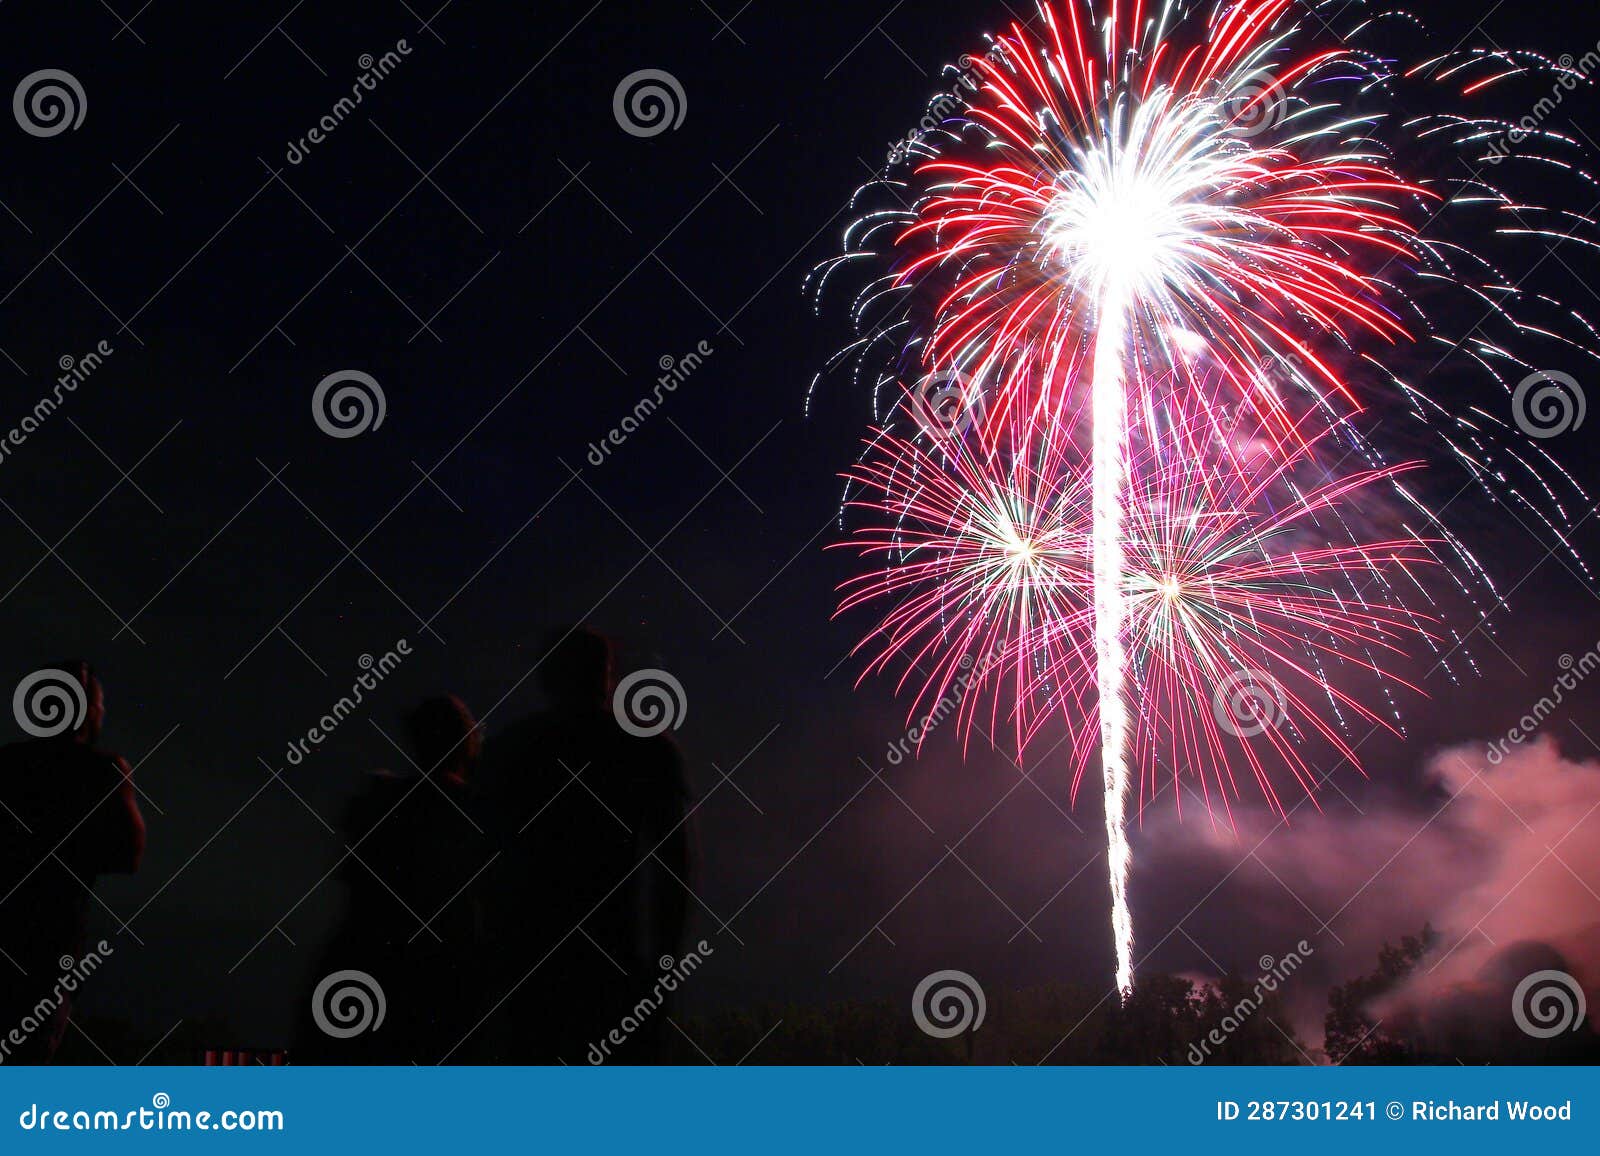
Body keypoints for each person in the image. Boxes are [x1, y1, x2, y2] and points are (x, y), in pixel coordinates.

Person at [481, 628, 693, 1063]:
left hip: (525, 968)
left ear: (545, 678)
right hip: (615, 965)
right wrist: (662, 970)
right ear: (607, 675)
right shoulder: (645, 748)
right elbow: (675, 869)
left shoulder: (508, 750)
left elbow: (478, 862)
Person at [294, 695, 486, 1064]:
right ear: (467, 745)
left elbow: (352, 875)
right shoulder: (475, 813)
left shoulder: (378, 802)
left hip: (366, 969)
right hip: (442, 985)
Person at [0, 662, 144, 1063]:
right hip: (50, 945)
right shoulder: (101, 771)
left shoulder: (7, 765)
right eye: (97, 705)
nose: (101, 714)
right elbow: (129, 855)